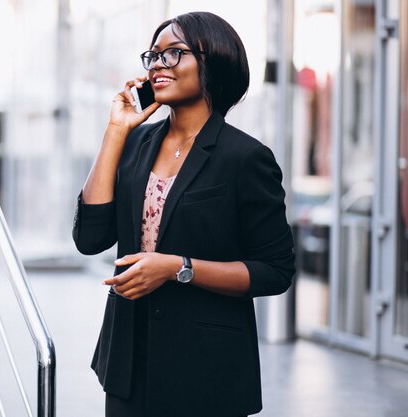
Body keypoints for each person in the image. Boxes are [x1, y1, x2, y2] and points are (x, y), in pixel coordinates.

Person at [72, 11, 295, 417]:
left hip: (205, 367)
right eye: (153, 56)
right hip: (128, 359)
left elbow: (275, 271)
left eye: (174, 53)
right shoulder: (136, 141)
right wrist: (115, 131)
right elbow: (89, 238)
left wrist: (178, 267)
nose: (158, 64)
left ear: (213, 61)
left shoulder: (246, 158)